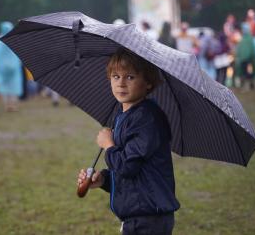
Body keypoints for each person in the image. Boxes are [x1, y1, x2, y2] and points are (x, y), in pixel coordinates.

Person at [77, 48, 180, 235]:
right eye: (115, 77)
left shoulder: (147, 119)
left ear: (148, 82)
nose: (121, 84)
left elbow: (127, 166)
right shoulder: (124, 115)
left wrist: (108, 145)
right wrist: (104, 180)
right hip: (138, 215)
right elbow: (132, 174)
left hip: (149, 217)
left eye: (130, 77)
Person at [0, 21, 24, 111]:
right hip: (14, 67)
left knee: (4, 85)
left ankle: (7, 105)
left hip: (2, 67)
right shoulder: (15, 39)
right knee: (14, 85)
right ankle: (13, 105)